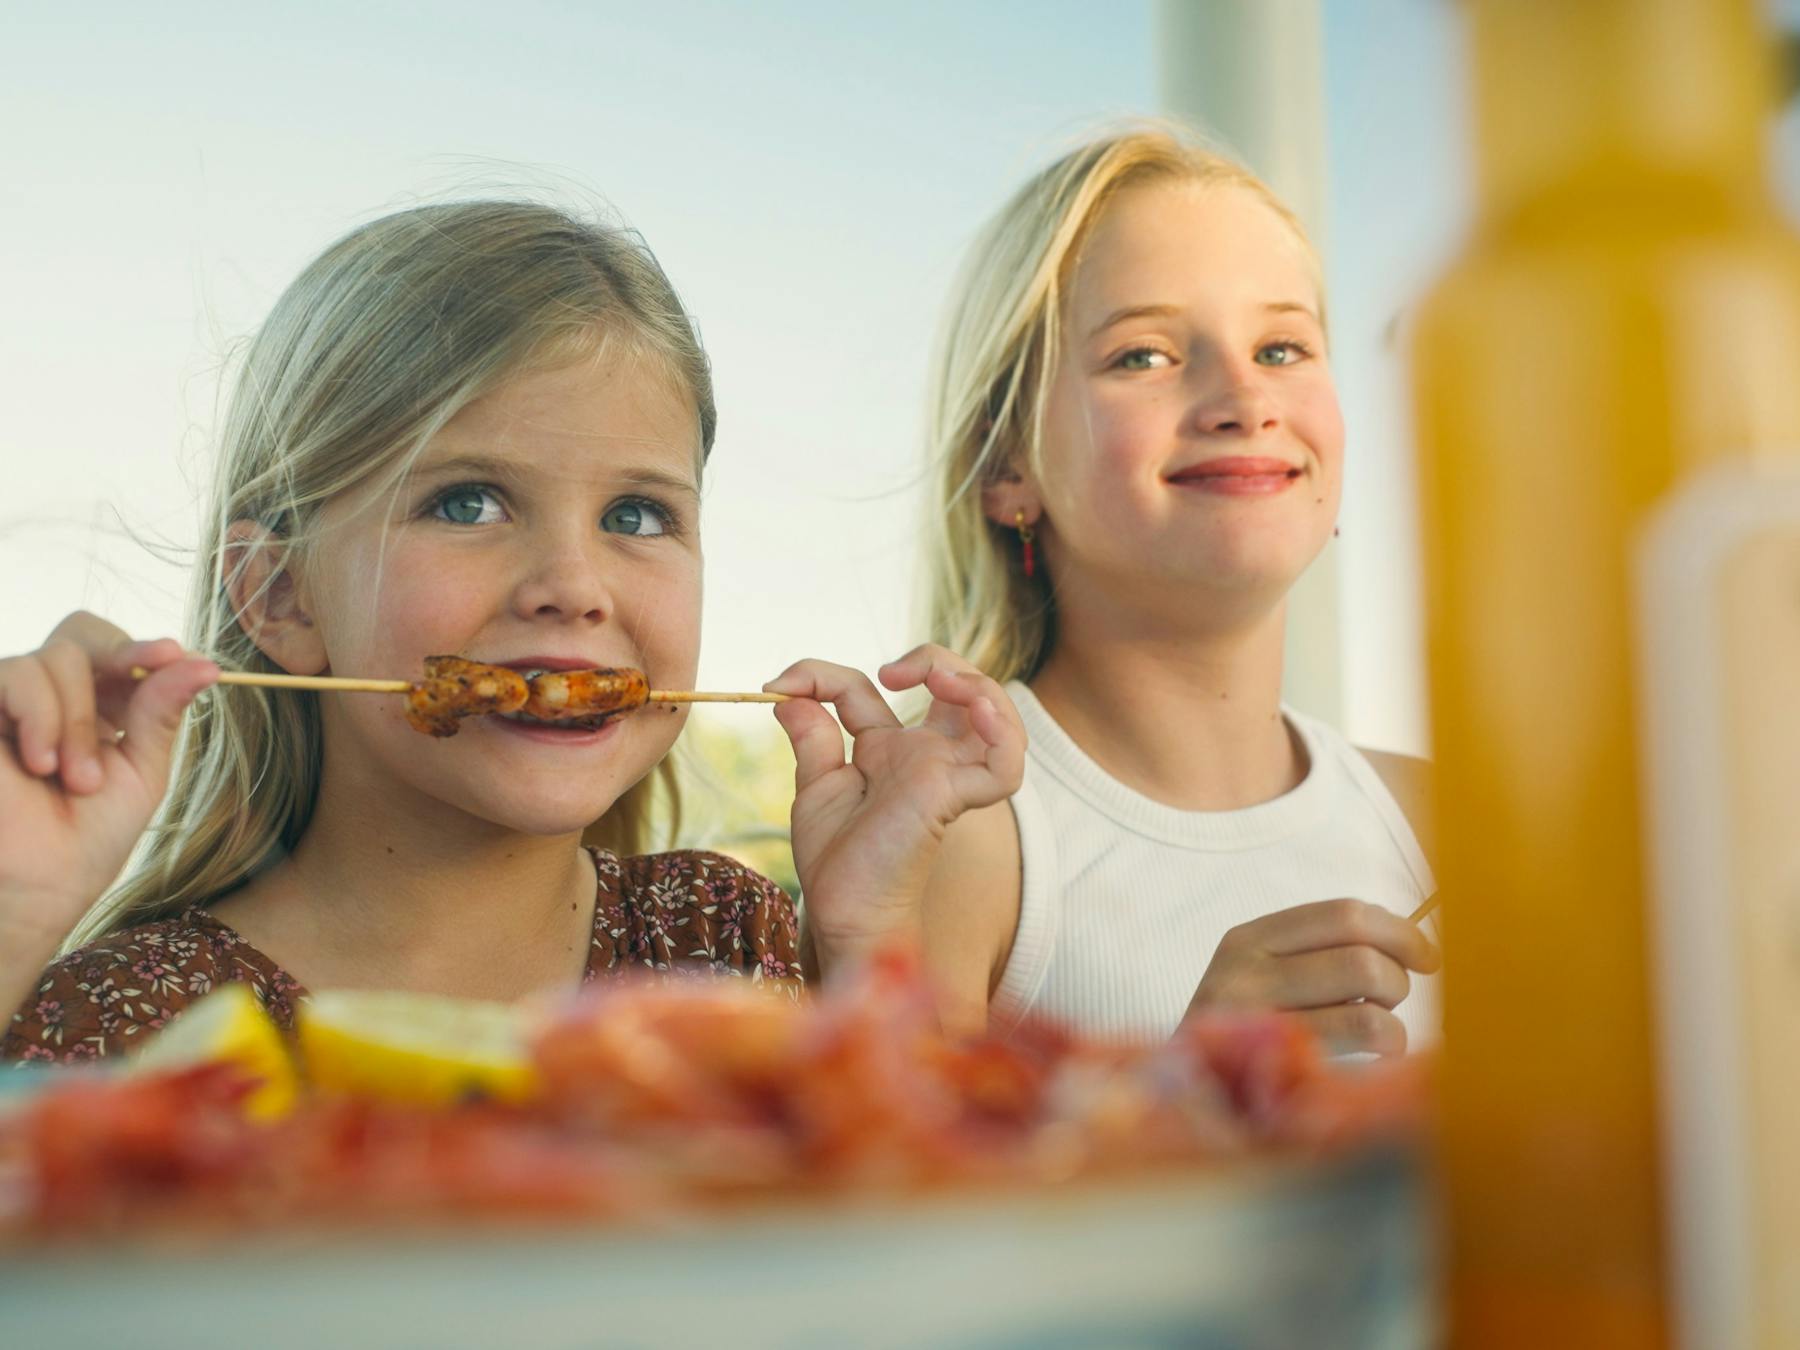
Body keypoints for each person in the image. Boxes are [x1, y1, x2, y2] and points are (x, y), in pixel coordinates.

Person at [2, 199, 1022, 1063]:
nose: (573, 587)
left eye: (635, 516)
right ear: (279, 596)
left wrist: (870, 936)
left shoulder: (731, 947)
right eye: (469, 503)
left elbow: (940, 1263)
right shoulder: (123, 1024)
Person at [917, 126, 1440, 1053]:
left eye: (1283, 348)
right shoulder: (959, 837)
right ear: (1007, 468)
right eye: (1144, 356)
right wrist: (1173, 1093)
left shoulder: (1442, 819)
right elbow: (905, 1190)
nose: (1245, 398)